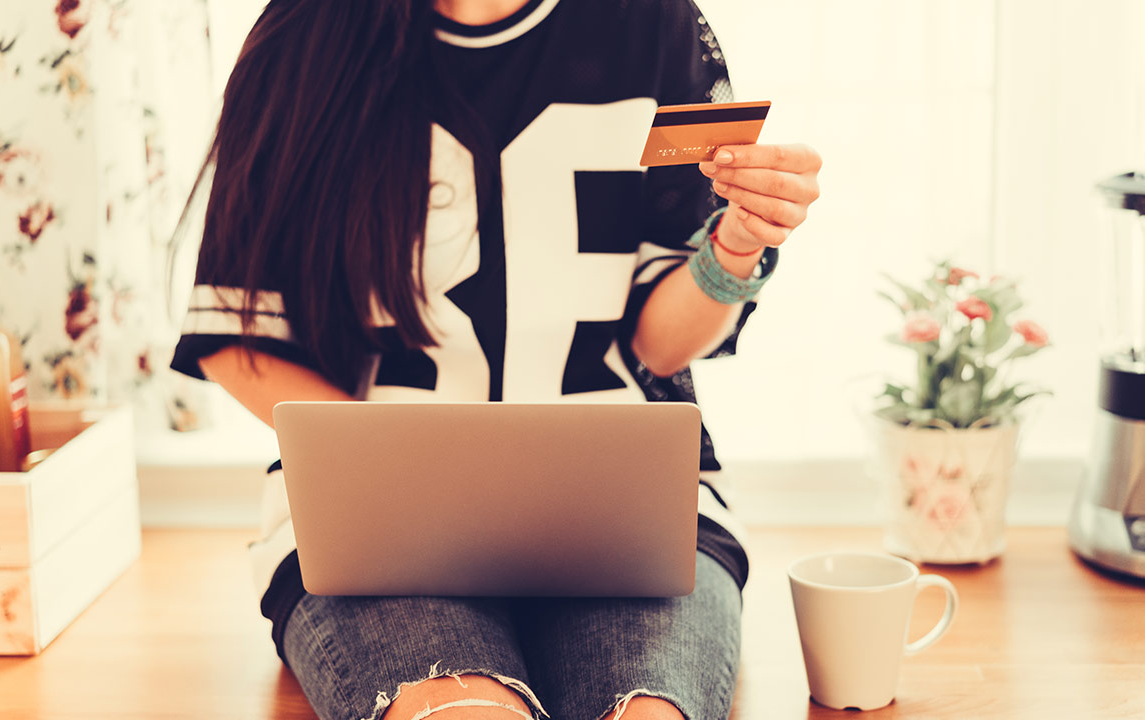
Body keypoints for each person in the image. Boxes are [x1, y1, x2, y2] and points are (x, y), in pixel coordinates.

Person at [170, 0, 820, 718]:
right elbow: (238, 339)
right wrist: (394, 478)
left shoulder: (654, 23)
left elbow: (656, 346)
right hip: (377, 522)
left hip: (624, 505)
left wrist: (734, 246)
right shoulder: (307, 30)